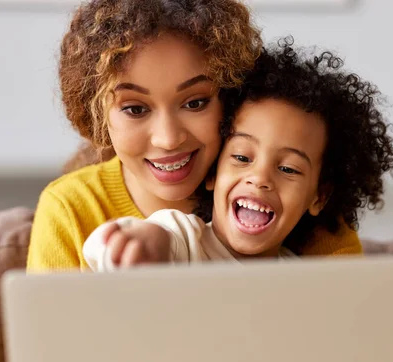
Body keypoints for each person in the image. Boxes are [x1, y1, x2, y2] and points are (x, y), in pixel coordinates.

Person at [28, 0, 364, 274]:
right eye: (134, 109)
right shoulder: (70, 208)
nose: (168, 139)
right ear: (100, 115)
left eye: (195, 102)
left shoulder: (294, 206)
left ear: (231, 100)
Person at [82, 39, 393, 271]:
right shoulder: (183, 240)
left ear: (319, 196)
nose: (260, 178)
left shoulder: (304, 280)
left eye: (289, 169)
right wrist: (138, 244)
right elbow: (141, 240)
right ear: (212, 173)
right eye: (242, 158)